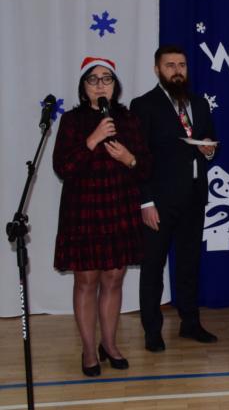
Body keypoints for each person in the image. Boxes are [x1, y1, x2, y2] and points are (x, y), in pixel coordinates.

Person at [53, 57, 151, 376]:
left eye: (106, 79)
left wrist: (129, 158)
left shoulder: (129, 119)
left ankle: (109, 344)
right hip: (84, 211)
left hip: (119, 207)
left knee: (113, 278)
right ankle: (88, 350)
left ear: (115, 85)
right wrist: (93, 139)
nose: (100, 85)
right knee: (86, 281)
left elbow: (146, 168)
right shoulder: (71, 121)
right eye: (93, 80)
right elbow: (62, 167)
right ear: (83, 87)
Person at [130, 45, 218, 352]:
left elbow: (209, 141)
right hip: (159, 201)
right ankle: (152, 330)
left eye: (181, 65)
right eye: (170, 65)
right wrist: (145, 202)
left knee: (189, 264)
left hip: (194, 197)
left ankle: (190, 323)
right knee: (153, 267)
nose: (177, 70)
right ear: (157, 70)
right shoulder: (143, 105)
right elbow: (138, 157)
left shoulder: (199, 103)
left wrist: (209, 149)